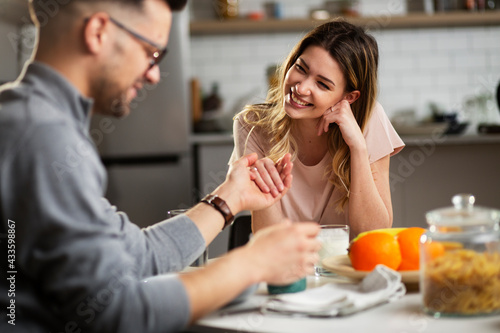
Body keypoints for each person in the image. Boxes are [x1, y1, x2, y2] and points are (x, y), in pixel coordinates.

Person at [0, 1, 321, 332]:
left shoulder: (28, 119)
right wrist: (252, 264)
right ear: (98, 32)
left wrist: (229, 198)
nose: (154, 74)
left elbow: (136, 256)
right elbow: (118, 313)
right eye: (151, 53)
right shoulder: (43, 137)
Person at [230, 20, 405, 238]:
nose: (301, 88)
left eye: (322, 84)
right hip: (285, 264)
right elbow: (269, 238)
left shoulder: (368, 119)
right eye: (301, 68)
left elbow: (374, 235)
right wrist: (262, 186)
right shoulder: (252, 124)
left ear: (348, 98)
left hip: (348, 268)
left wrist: (358, 147)